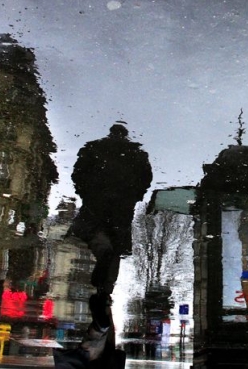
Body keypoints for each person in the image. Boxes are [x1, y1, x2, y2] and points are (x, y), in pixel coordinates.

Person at [59, 123, 152, 368]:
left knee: (98, 237)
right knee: (114, 247)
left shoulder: (95, 148)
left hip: (100, 201)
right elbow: (146, 178)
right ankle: (105, 288)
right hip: (119, 205)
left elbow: (78, 172)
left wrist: (87, 192)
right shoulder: (136, 153)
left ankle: (104, 286)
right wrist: (133, 195)